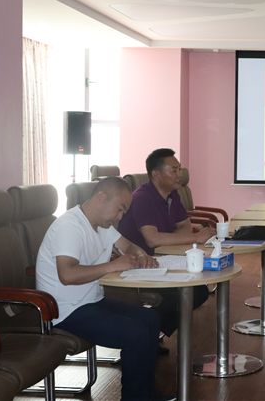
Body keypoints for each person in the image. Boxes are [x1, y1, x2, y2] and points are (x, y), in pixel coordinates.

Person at [36, 177, 162, 401]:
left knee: (150, 318)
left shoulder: (102, 226)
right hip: (63, 311)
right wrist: (113, 265)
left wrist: (140, 254)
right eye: (120, 209)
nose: (120, 217)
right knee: (136, 333)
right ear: (101, 198)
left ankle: (146, 394)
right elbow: (67, 274)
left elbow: (127, 245)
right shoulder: (70, 226)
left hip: (90, 302)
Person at [118, 148, 213, 341]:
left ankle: (150, 335)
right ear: (156, 174)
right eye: (174, 170)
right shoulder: (142, 198)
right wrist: (194, 238)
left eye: (179, 169)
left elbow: (185, 228)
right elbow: (153, 239)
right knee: (182, 295)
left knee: (198, 291)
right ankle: (145, 335)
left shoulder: (172, 195)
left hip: (162, 260)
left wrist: (171, 237)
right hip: (138, 265)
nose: (179, 175)